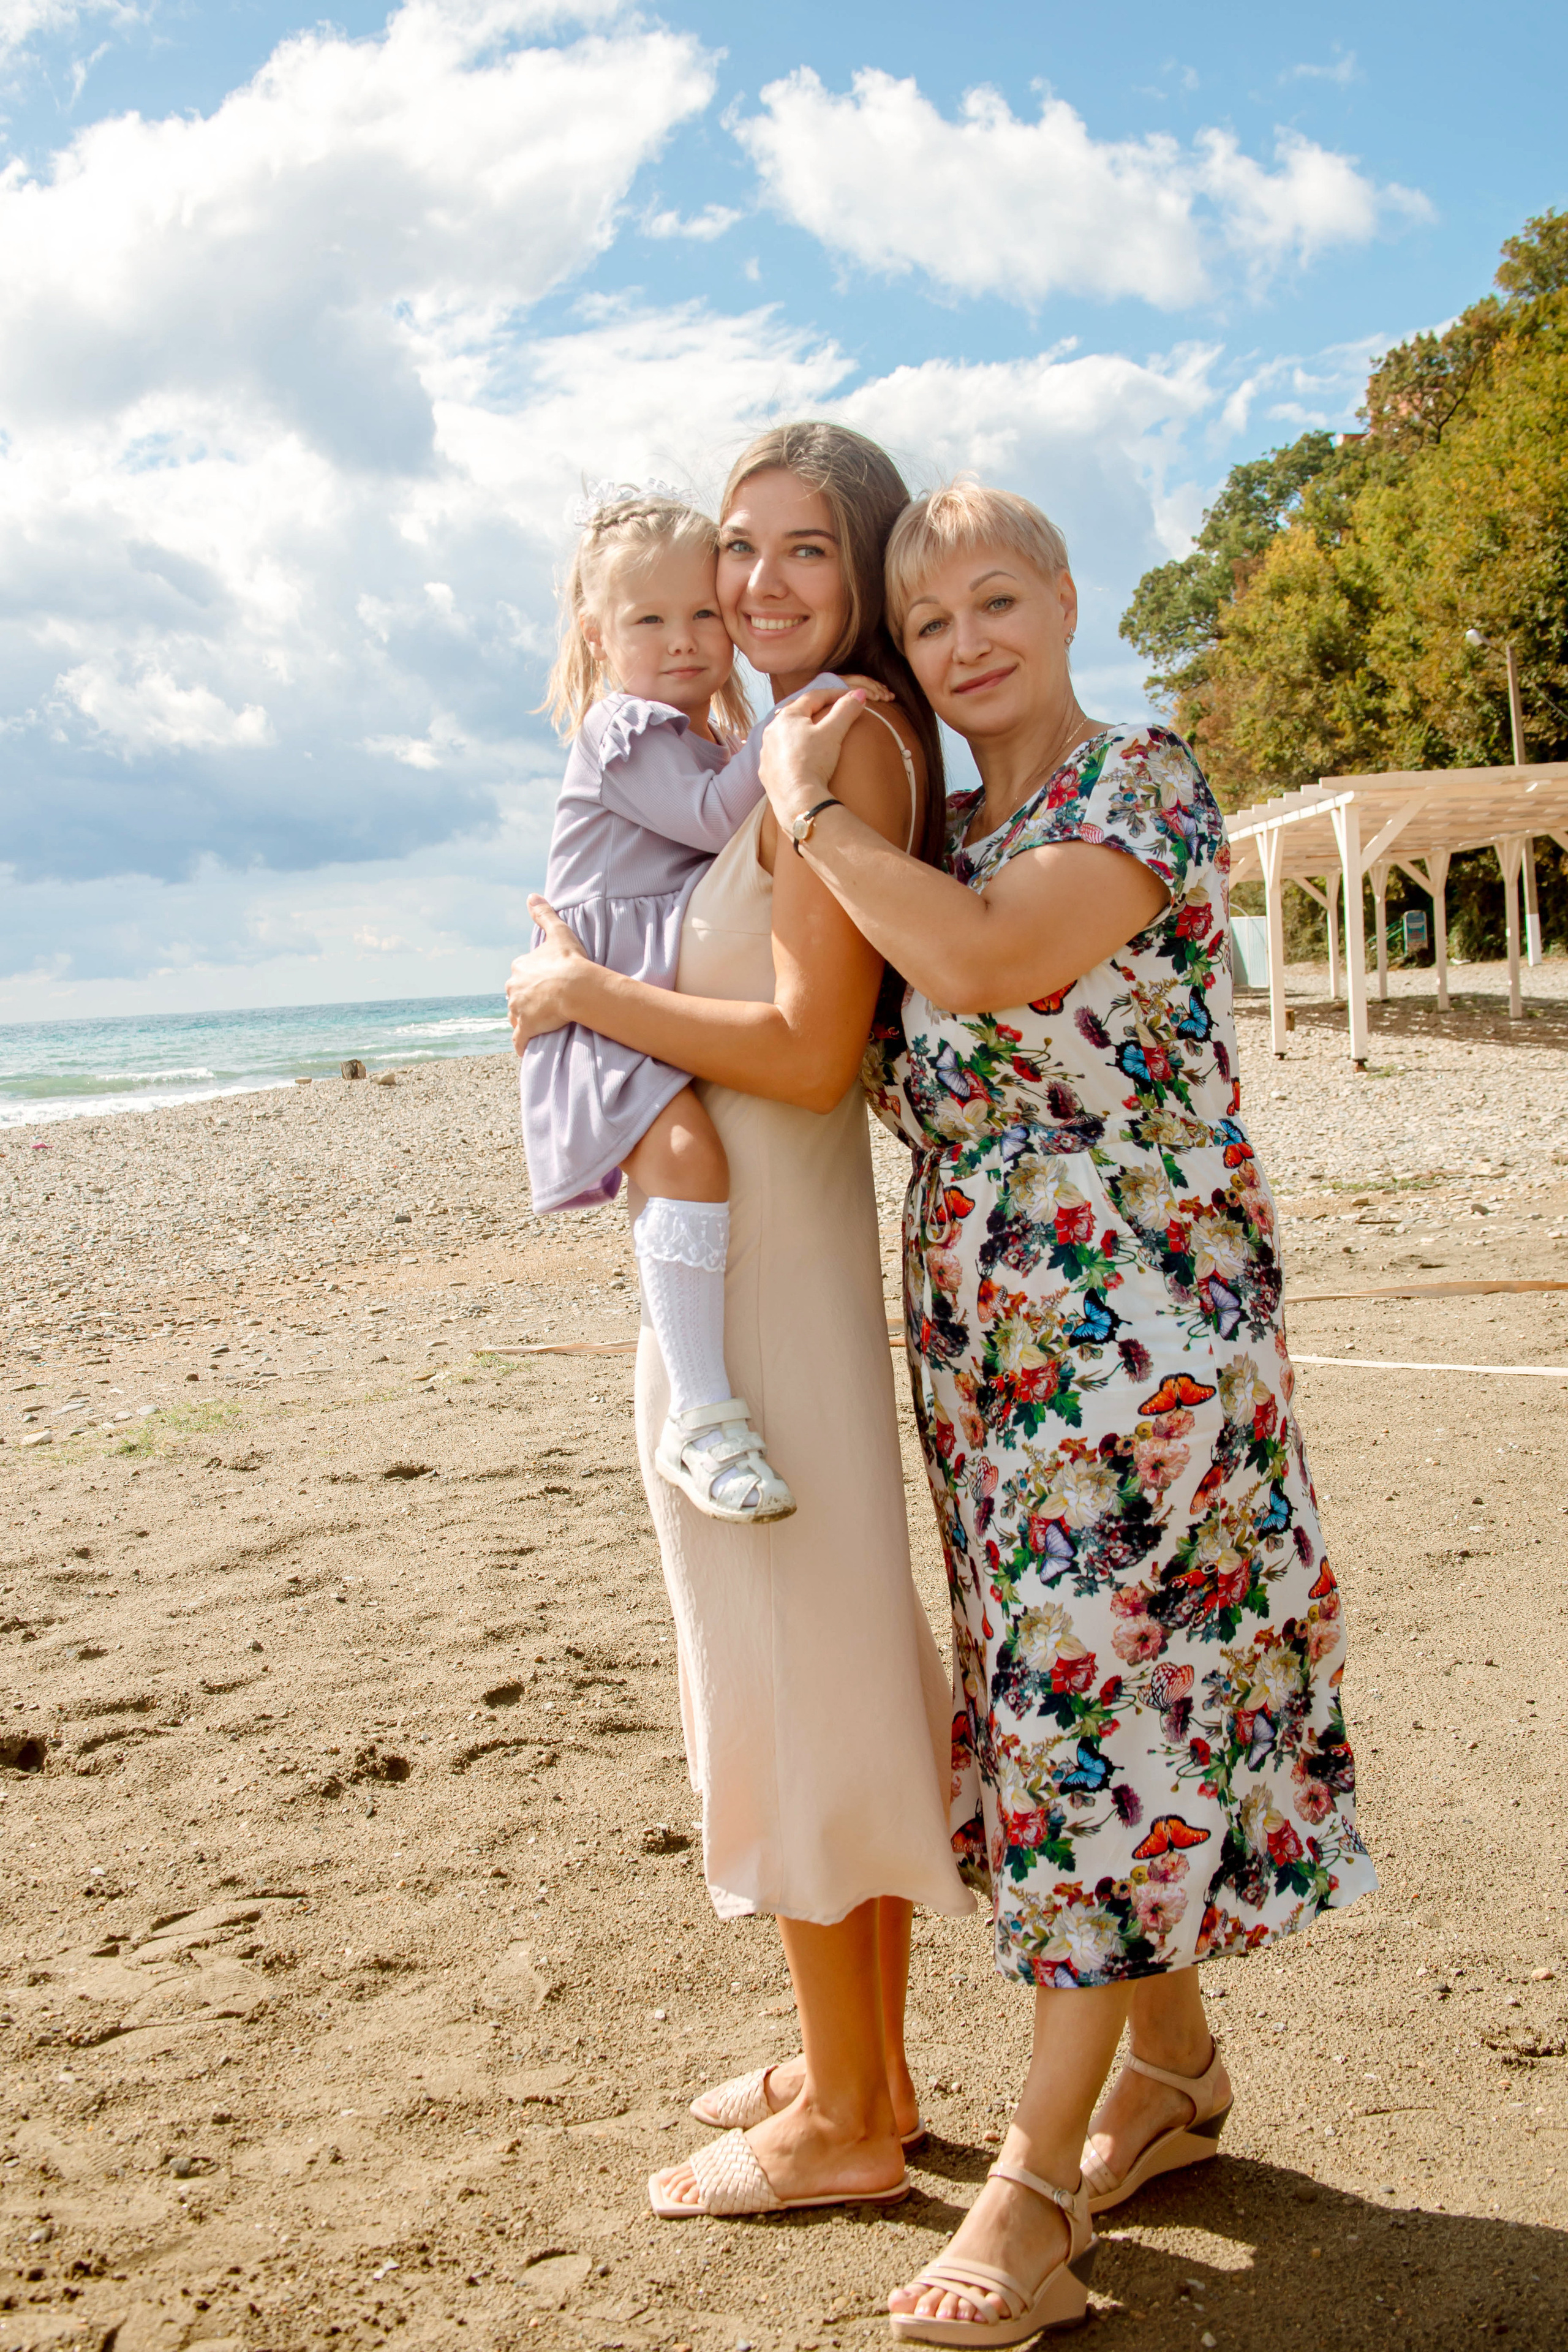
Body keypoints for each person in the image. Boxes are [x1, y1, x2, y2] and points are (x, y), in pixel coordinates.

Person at [754, 478, 1379, 2345]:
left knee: (1104, 1698)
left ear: (1067, 599)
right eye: (932, 622)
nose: (967, 646)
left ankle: (1029, 2200)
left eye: (997, 603)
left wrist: (807, 807)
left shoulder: (1140, 784)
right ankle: (1167, 2072)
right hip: (989, 1343)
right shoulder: (956, 830)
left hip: (1147, 1339)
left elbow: (982, 964)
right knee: (1065, 1705)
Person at [506, 422, 974, 2222]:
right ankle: (864, 2069)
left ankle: (848, 2117)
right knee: (819, 1663)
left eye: (802, 552)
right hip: (768, 1256)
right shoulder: (775, 741)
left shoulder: (825, 744)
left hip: (767, 1280)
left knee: (790, 1678)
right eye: (737, 552)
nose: (754, 587)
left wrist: (577, 987)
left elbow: (806, 1050)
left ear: (864, 565)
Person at [521, 489, 794, 1523]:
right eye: (649, 618)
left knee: (701, 1160)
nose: (684, 640)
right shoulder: (624, 729)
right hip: (607, 998)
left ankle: (703, 1405)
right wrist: (802, 713)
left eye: (704, 615)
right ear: (597, 634)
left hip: (642, 991)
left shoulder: (698, 733)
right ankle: (702, 1414)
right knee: (685, 1158)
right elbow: (717, 818)